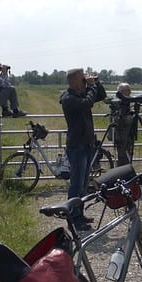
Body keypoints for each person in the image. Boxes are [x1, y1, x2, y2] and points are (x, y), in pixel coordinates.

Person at [59, 68, 107, 231]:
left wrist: (96, 83)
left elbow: (101, 96)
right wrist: (92, 86)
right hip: (77, 146)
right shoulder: (69, 98)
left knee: (84, 184)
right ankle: (73, 218)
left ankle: (79, 214)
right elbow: (87, 103)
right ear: (73, 81)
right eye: (82, 79)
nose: (84, 81)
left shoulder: (81, 94)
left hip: (86, 144)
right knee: (76, 184)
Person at [112, 82, 136, 166]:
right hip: (121, 135)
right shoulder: (119, 103)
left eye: (130, 90)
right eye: (128, 90)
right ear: (122, 91)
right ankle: (121, 174)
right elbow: (121, 119)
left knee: (126, 155)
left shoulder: (125, 102)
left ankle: (125, 174)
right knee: (123, 157)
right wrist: (132, 116)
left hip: (126, 134)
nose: (130, 92)